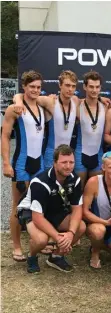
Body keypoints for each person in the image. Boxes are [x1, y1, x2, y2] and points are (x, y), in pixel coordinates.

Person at [17, 144, 86, 273]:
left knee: (80, 227)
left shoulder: (75, 179)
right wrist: (59, 238)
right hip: (30, 211)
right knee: (41, 239)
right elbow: (37, 218)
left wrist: (70, 234)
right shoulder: (40, 182)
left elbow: (77, 209)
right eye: (64, 162)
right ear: (54, 163)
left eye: (71, 162)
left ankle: (56, 257)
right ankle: (32, 257)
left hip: (54, 209)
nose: (68, 166)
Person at [1, 70, 45, 262]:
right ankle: (17, 246)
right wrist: (5, 163)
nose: (35, 90)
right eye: (31, 87)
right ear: (24, 87)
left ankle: (37, 242)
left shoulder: (43, 107)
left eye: (38, 87)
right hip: (21, 164)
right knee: (18, 206)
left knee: (38, 205)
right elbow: (4, 136)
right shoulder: (15, 109)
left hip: (40, 164)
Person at [14, 70, 79, 170]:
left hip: (67, 155)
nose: (70, 89)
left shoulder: (75, 100)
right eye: (67, 85)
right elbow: (24, 96)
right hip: (51, 155)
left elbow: (90, 99)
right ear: (60, 85)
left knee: (63, 185)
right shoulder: (50, 101)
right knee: (49, 184)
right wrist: (18, 101)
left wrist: (101, 99)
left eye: (73, 86)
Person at [74, 71, 107, 189]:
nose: (94, 90)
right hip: (80, 154)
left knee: (95, 191)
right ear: (84, 87)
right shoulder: (77, 106)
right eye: (91, 87)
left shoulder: (106, 107)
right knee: (78, 190)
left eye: (97, 87)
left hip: (98, 155)